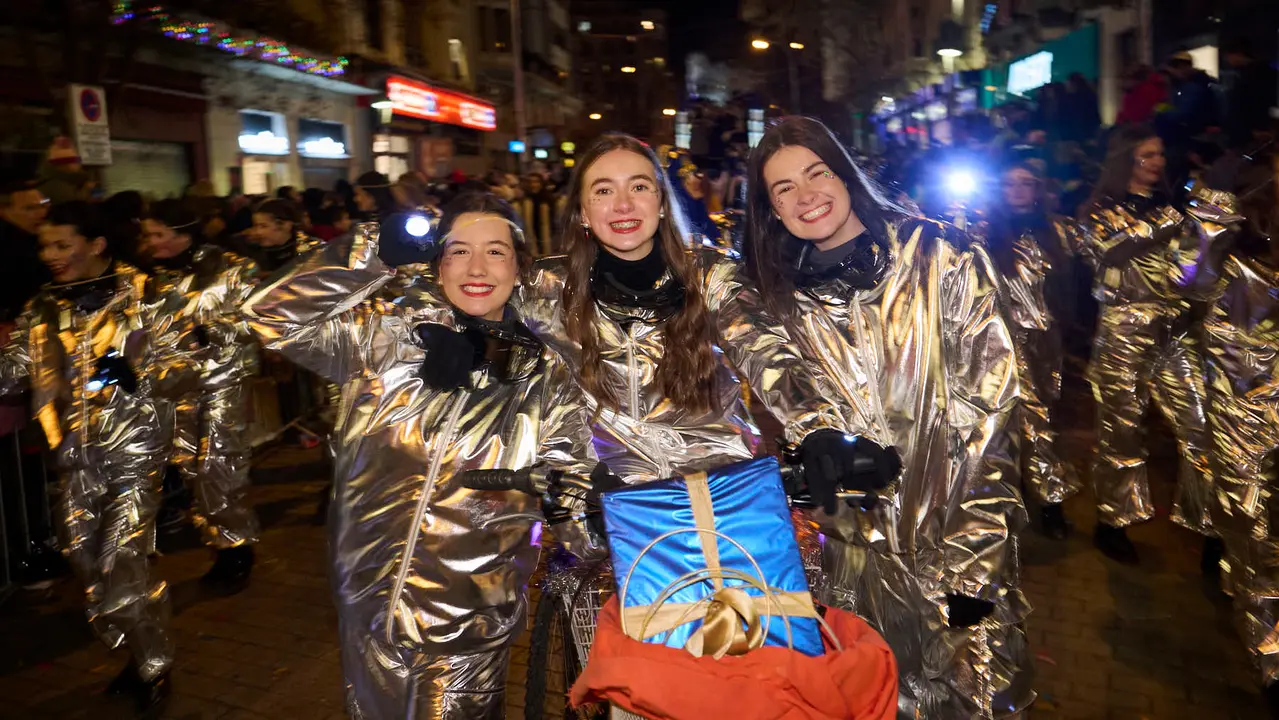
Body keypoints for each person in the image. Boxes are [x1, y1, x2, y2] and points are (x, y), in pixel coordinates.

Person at [242, 192, 598, 719]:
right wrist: (373, 252)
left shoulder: (548, 378)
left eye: (496, 252)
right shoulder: (387, 342)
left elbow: (577, 492)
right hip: (365, 606)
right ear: (436, 263)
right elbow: (270, 317)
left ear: (520, 267)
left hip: (467, 625)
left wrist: (571, 505)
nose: (476, 268)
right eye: (458, 251)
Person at [741, 116, 1030, 718]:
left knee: (978, 696)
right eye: (783, 189)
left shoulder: (940, 256)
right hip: (853, 558)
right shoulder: (780, 301)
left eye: (816, 173)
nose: (805, 196)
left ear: (845, 172)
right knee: (876, 699)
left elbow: (993, 412)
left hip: (959, 548)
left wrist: (976, 559)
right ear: (770, 210)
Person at [520, 133, 862, 487]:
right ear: (582, 213)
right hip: (607, 506)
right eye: (603, 191)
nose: (623, 205)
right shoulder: (546, 287)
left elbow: (767, 353)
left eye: (639, 187)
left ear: (663, 203)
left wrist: (817, 428)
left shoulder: (711, 274)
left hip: (719, 493)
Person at [0, 201, 192, 714]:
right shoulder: (43, 307)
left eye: (62, 244)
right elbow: (11, 373)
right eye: (45, 245)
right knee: (85, 561)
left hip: (134, 449)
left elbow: (187, 368)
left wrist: (140, 372)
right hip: (72, 455)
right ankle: (135, 648)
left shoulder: (146, 294)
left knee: (121, 558)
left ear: (96, 245)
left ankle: (152, 666)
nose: (50, 255)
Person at [1078, 123, 1239, 566]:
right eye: (1147, 154)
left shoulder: (1178, 209)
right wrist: (1173, 220)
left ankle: (1211, 528)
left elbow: (1192, 280)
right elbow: (1108, 248)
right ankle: (1113, 522)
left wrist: (1210, 232)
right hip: (1122, 332)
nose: (1157, 162)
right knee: (1122, 431)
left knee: (1201, 425)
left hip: (1175, 331)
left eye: (1160, 155)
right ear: (1126, 159)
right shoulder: (1100, 208)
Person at [140, 199, 262, 592]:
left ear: (184, 234)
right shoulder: (148, 277)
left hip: (221, 381)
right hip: (172, 387)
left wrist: (216, 330)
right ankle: (218, 539)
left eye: (159, 235)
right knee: (191, 468)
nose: (152, 242)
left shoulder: (232, 268)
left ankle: (235, 547)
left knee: (219, 466)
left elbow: (260, 317)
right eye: (149, 235)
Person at [974, 159, 1084, 540]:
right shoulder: (982, 233)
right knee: (1011, 424)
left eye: (1026, 182)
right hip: (999, 345)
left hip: (1044, 345)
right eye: (1010, 183)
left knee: (1039, 422)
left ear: (1038, 189)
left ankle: (1039, 500)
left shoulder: (1056, 232)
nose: (1019, 190)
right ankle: (1031, 503)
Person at [1202, 204, 1279, 717]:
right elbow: (1227, 350)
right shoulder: (1242, 273)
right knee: (1260, 540)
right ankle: (1271, 663)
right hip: (1251, 426)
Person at [0, 180, 51, 324]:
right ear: (3, 211)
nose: (42, 213)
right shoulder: (10, 248)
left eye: (44, 206)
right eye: (30, 208)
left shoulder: (40, 239)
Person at [246, 198, 323, 273]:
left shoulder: (313, 250)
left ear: (287, 225)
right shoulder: (252, 254)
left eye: (263, 226)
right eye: (256, 226)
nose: (258, 232)